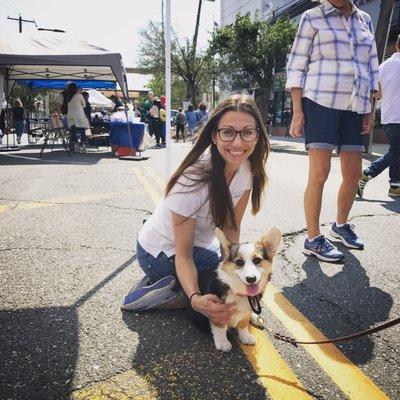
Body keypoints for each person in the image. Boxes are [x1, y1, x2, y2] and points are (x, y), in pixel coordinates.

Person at [121, 94, 270, 320]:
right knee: (213, 291)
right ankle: (170, 294)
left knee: (243, 268)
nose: (238, 143)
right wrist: (195, 299)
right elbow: (183, 255)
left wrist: (236, 275)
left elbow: (231, 229)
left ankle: (178, 287)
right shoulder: (194, 178)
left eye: (247, 132)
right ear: (214, 135)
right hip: (158, 253)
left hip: (196, 248)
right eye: (228, 132)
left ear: (257, 136)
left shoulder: (247, 168)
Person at [286, 0, 379, 262]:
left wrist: (370, 110)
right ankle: (313, 239)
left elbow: (372, 67)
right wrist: (298, 111)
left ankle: (340, 225)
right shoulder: (312, 17)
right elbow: (296, 67)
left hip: (355, 107)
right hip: (320, 104)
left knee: (353, 174)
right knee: (320, 173)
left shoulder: (364, 20)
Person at [358, 34, 400, 198]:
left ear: (396, 45)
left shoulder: (384, 65)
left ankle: (395, 186)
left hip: (388, 116)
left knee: (396, 151)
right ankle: (367, 173)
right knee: (397, 151)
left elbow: (377, 94)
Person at [65, 83, 88, 152]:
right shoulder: (79, 95)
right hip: (79, 115)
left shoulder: (67, 96)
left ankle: (76, 146)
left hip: (71, 115)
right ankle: (83, 146)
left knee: (73, 132)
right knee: (82, 131)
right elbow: (84, 105)